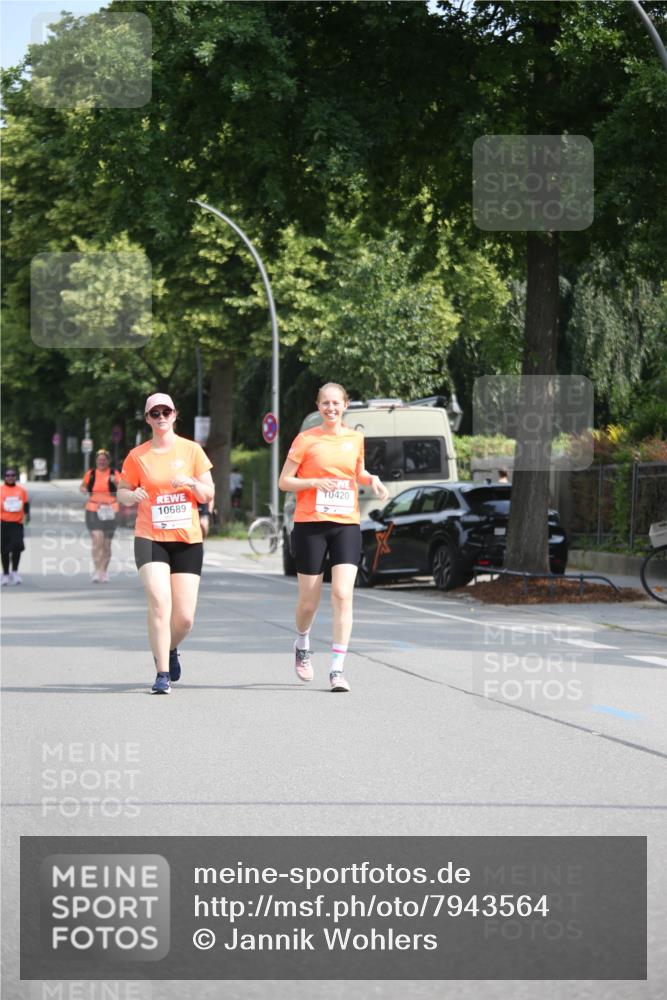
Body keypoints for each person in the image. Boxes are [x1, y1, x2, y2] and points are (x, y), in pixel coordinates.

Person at [279, 382, 388, 693]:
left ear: (345, 405)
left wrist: (373, 478)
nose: (330, 408)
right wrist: (313, 481)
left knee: (342, 594)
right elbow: (284, 481)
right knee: (309, 602)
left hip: (345, 523)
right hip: (311, 524)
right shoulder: (305, 440)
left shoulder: (355, 438)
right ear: (318, 406)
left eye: (336, 403)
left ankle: (337, 670)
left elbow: (358, 473)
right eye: (325, 403)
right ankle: (302, 643)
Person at [117, 393, 214, 695]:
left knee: (184, 618)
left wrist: (191, 483)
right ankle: (161, 674)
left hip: (186, 539)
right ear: (147, 419)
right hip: (150, 537)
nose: (160, 417)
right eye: (154, 413)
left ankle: (169, 648)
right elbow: (121, 490)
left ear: (175, 415)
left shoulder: (192, 450)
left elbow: (208, 494)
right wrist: (131, 497)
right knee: (160, 603)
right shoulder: (137, 456)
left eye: (165, 412)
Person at [79, 449, 119, 582]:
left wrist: (115, 483)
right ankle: (97, 570)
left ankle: (103, 571)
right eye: (99, 460)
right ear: (96, 461)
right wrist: (84, 489)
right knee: (97, 540)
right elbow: (83, 486)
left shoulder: (114, 473)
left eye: (104, 460)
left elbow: (123, 489)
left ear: (108, 461)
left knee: (107, 544)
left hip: (111, 510)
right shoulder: (90, 474)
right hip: (93, 509)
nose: (102, 462)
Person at [1, 467, 29, 586]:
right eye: (8, 475)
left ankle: (15, 572)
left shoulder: (21, 490)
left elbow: (26, 505)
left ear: (15, 477)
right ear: (4, 477)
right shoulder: (1, 490)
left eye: (13, 475)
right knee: (5, 550)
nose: (10, 477)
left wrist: (27, 516)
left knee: (17, 547)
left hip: (17, 523)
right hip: (4, 523)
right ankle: (6, 574)